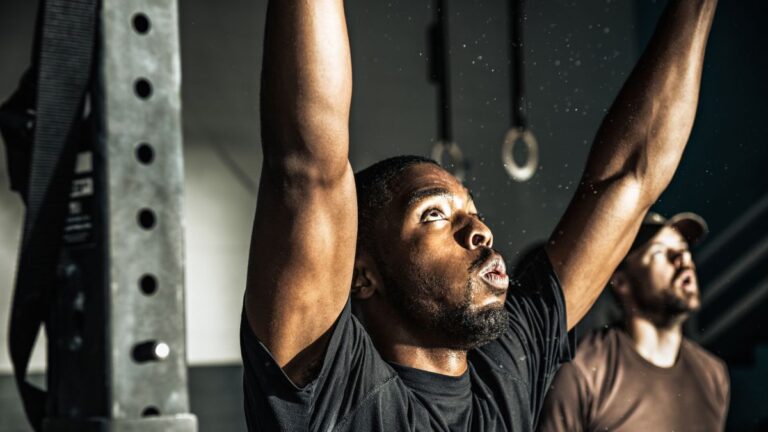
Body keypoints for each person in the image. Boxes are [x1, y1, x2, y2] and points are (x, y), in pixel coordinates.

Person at [240, 0, 718, 430]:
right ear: (361, 276)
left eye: (474, 211)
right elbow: (308, 168)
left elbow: (630, 180)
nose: (480, 232)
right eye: (434, 215)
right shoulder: (329, 391)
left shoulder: (508, 365)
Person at [537, 212, 730, 431]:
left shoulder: (713, 374)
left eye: (683, 249)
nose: (683, 259)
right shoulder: (585, 369)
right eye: (659, 252)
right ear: (621, 281)